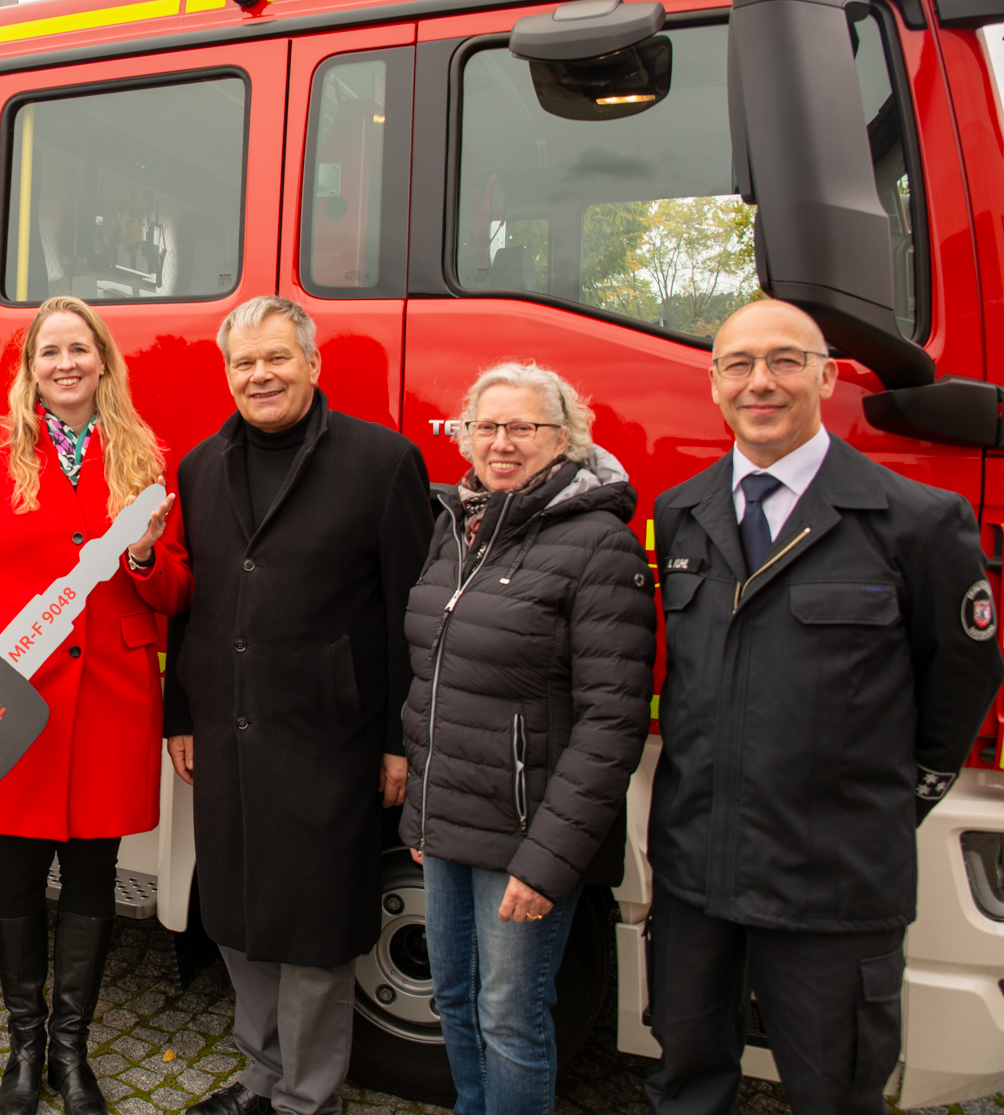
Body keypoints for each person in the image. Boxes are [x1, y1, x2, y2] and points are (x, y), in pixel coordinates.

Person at [645, 299, 1003, 1115]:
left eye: (784, 361)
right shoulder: (683, 511)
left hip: (832, 879)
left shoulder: (914, 520)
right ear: (713, 383)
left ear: (827, 376)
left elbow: (962, 676)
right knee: (684, 1081)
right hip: (696, 866)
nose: (758, 382)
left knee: (834, 1093)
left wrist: (890, 798)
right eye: (737, 364)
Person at [164, 295, 432, 1115]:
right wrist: (180, 711)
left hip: (331, 736)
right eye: (244, 363)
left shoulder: (383, 461)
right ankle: (259, 1076)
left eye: (276, 358)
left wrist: (397, 740)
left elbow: (407, 611)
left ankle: (308, 1097)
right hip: (226, 730)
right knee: (238, 914)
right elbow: (192, 602)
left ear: (313, 364)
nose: (260, 375)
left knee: (315, 928)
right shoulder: (201, 465)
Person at [0, 295, 189, 1115]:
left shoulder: (145, 454)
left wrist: (145, 556)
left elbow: (177, 590)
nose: (66, 363)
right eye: (50, 351)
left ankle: (70, 1051)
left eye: (80, 348)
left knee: (92, 872)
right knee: (14, 867)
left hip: (113, 695)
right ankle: (22, 1043)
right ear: (30, 366)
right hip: (17, 688)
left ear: (103, 359)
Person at [400, 363, 655, 1115]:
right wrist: (422, 807)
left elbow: (613, 721)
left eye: (524, 428)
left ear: (565, 438)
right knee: (453, 996)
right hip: (447, 822)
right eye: (486, 426)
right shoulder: (457, 526)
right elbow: (434, 680)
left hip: (526, 836)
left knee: (511, 1016)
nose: (502, 443)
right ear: (466, 436)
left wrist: (548, 864)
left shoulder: (599, 544)